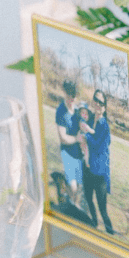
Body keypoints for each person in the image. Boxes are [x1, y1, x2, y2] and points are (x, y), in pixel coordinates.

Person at [82, 89, 114, 235]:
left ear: (105, 107)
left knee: (103, 209)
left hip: (99, 173)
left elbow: (97, 145)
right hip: (87, 169)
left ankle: (110, 233)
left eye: (101, 103)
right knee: (88, 198)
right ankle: (94, 223)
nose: (98, 104)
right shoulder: (89, 119)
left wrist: (86, 134)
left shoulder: (104, 125)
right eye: (96, 100)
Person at [54, 79, 85, 209]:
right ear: (64, 93)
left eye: (73, 95)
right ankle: (70, 204)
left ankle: (74, 204)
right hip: (67, 151)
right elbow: (63, 138)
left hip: (79, 152)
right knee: (72, 186)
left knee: (80, 184)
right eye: (69, 95)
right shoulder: (61, 111)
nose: (71, 98)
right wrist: (76, 139)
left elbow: (83, 126)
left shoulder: (77, 110)